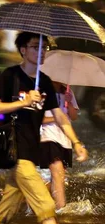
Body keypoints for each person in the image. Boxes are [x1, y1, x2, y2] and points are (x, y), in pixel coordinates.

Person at [0, 32, 88, 224]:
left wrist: (76, 143)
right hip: (16, 153)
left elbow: (60, 117)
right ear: (23, 50)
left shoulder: (44, 81)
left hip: (31, 151)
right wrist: (24, 102)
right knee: (45, 205)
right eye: (36, 47)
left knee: (8, 207)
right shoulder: (10, 76)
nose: (41, 51)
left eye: (44, 47)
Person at [40, 81, 79, 210]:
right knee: (58, 172)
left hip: (65, 139)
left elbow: (73, 117)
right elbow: (36, 118)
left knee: (58, 176)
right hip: (48, 137)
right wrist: (57, 118)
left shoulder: (68, 92)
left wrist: (70, 104)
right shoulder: (42, 92)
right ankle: (60, 209)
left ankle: (28, 196)